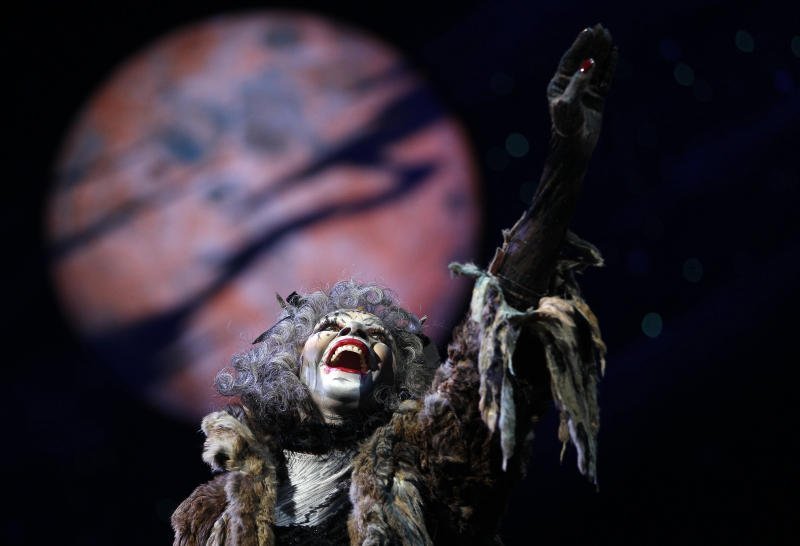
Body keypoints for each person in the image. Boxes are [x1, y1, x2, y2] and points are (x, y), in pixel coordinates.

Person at [172, 24, 617, 545]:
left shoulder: (429, 468)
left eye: (375, 336)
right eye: (331, 327)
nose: (352, 334)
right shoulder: (212, 512)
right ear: (291, 367)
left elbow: (495, 335)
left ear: (395, 383)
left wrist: (565, 161)